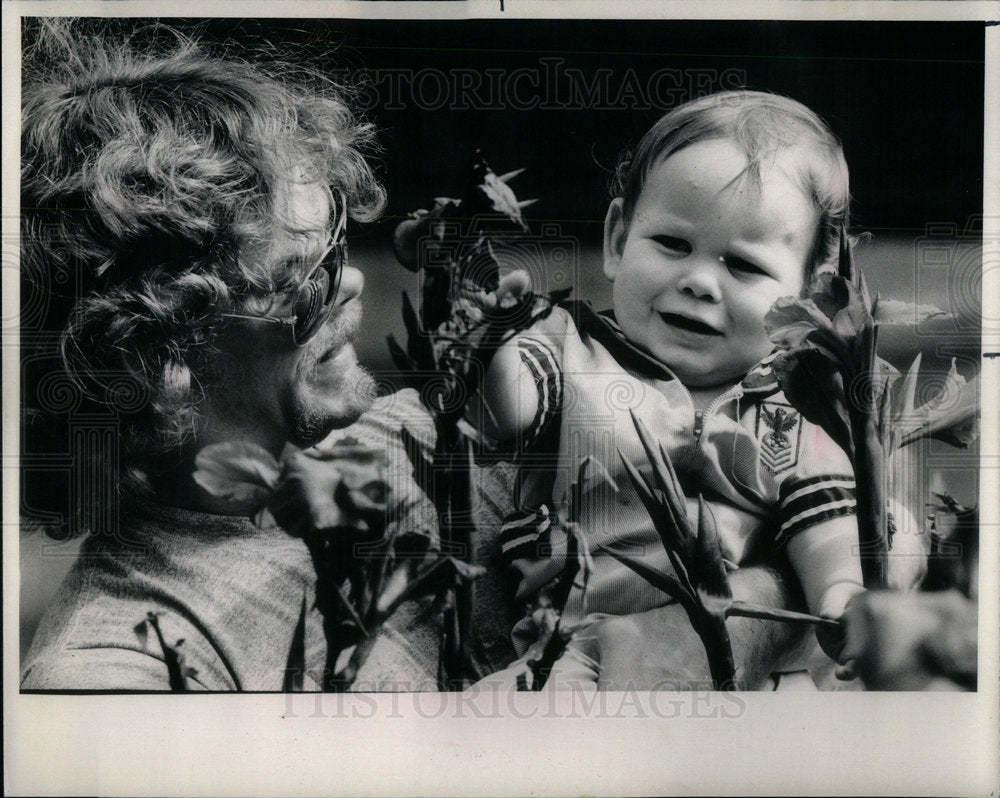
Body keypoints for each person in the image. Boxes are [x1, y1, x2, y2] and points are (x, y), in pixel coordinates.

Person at [19, 23, 816, 692]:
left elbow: (818, 532)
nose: (356, 282)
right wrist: (626, 656)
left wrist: (759, 597)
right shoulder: (117, 670)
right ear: (156, 358)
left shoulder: (424, 447)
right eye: (305, 279)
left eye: (336, 241)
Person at [475, 91, 865, 687]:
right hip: (575, 648)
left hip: (736, 664)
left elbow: (827, 526)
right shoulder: (572, 352)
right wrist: (492, 346)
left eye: (744, 266)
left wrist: (842, 595)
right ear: (616, 239)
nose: (699, 281)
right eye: (672, 245)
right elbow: (507, 413)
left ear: (805, 298)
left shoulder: (792, 412)